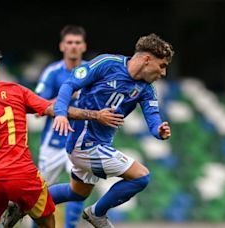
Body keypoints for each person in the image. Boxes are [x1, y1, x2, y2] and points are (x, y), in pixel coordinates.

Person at [0, 43, 125, 228]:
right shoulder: (15, 91)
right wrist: (95, 115)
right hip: (24, 176)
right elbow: (55, 109)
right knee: (47, 222)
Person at [50, 33, 174, 228]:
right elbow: (69, 84)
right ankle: (96, 213)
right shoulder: (107, 63)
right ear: (147, 59)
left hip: (98, 144)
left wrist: (159, 130)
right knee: (141, 177)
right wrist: (60, 113)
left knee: (76, 193)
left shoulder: (146, 88)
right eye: (162, 65)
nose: (163, 73)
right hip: (84, 142)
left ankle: (24, 203)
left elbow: (152, 117)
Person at [34, 24, 87, 228]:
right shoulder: (52, 72)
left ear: (84, 46)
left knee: (79, 189)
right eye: (70, 42)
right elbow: (38, 108)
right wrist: (65, 97)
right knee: (38, 195)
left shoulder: (92, 71)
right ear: (62, 46)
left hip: (82, 141)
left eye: (77, 42)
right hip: (54, 141)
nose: (73, 46)